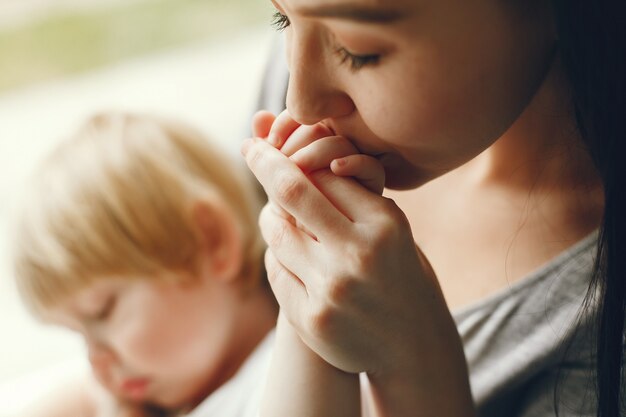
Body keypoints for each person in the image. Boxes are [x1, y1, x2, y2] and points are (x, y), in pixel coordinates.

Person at [242, 1, 625, 416]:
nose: (297, 102)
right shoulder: (315, 35)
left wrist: (414, 364)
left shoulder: (599, 344)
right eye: (281, 17)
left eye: (359, 53)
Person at [11, 112, 277, 417]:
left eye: (102, 310)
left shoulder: (286, 381)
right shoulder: (160, 386)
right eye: (78, 334)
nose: (97, 363)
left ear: (212, 240)